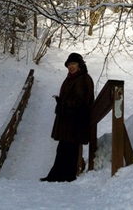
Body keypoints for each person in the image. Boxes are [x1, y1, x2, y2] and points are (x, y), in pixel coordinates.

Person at [40, 52, 95, 182]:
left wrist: (63, 102)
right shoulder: (71, 78)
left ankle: (67, 176)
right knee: (63, 148)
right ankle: (56, 175)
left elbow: (82, 100)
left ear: (80, 65)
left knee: (70, 148)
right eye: (69, 64)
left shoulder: (84, 78)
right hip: (67, 119)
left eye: (74, 64)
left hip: (76, 120)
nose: (71, 67)